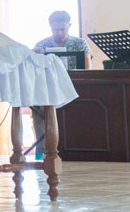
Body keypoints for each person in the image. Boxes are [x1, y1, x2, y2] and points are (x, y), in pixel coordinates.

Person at [30, 10, 91, 155]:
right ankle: (44, 151)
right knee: (38, 111)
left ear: (69, 26)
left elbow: (87, 69)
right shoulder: (42, 45)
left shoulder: (80, 43)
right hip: (49, 90)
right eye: (55, 29)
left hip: (74, 88)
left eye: (62, 29)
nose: (59, 33)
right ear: (50, 27)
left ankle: (77, 149)